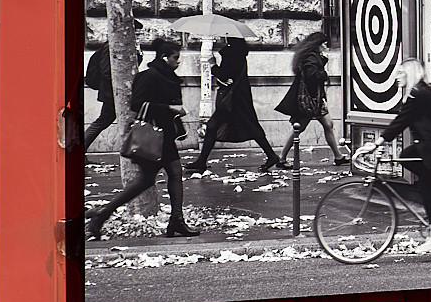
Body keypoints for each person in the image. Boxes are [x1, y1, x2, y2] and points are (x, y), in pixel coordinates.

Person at [85, 38, 199, 240]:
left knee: (169, 174)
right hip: (153, 136)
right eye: (175, 58)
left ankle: (176, 220)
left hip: (164, 135)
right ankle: (102, 214)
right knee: (147, 179)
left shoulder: (167, 76)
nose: (178, 62)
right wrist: (169, 108)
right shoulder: (149, 76)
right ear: (165, 58)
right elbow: (137, 104)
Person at [377, 59, 431, 254]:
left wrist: (377, 142)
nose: (396, 77)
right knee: (406, 155)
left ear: (410, 74)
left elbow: (401, 121)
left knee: (425, 186)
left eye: (400, 73)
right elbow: (404, 118)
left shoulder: (418, 93)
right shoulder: (420, 91)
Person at [187, 38, 283, 173]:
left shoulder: (230, 53)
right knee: (247, 125)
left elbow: (225, 76)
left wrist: (213, 65)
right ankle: (271, 155)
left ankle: (201, 162)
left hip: (232, 100)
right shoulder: (240, 53)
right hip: (240, 96)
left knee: (216, 125)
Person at [275, 31, 348, 166]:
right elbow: (313, 76)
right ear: (318, 45)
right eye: (324, 44)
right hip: (311, 101)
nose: (326, 46)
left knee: (328, 124)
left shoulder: (312, 57)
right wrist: (324, 73)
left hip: (316, 100)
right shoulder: (311, 58)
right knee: (299, 129)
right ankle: (281, 158)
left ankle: (338, 156)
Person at [80, 43, 117, 151]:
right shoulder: (111, 46)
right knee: (102, 122)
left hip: (112, 93)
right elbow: (106, 71)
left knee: (102, 122)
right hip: (111, 93)